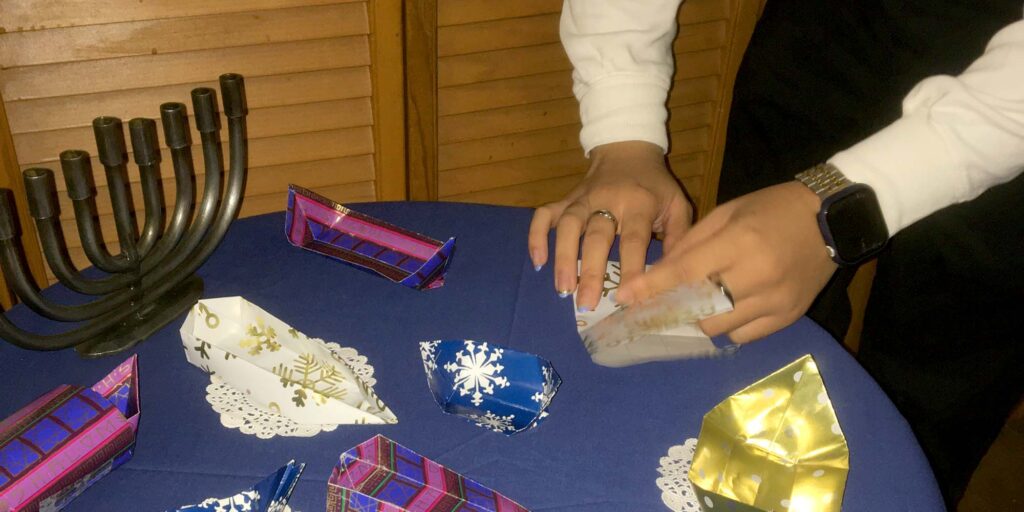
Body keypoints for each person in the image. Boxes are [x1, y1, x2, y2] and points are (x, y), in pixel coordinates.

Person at [530, 0, 1024, 507]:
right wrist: (623, 129)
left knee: (935, 394)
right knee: (751, 338)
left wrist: (836, 206)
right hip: (828, 29)